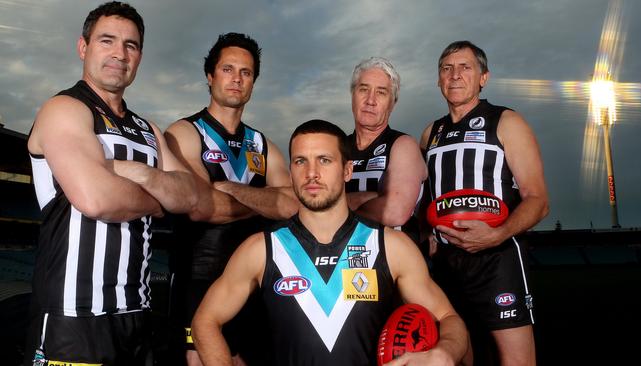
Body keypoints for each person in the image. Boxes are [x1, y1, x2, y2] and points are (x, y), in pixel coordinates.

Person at [192, 119, 468, 366]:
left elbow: (449, 319)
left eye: (324, 160)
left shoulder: (390, 246)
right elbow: (205, 321)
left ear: (347, 170)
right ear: (291, 172)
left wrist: (445, 352)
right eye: (301, 161)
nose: (312, 173)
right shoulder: (262, 249)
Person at [25, 2, 198, 365]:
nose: (120, 53)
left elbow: (190, 195)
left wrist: (137, 172)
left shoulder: (147, 129)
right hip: (73, 317)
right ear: (83, 47)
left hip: (137, 315)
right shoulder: (65, 109)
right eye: (107, 41)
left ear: (139, 56)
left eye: (130, 45)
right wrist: (160, 199)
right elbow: (96, 198)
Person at [163, 32, 299, 365]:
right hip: (199, 279)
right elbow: (202, 207)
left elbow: (293, 204)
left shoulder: (262, 143)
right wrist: (265, 202)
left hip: (255, 282)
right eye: (228, 69)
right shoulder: (183, 133)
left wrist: (233, 191)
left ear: (253, 82)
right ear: (210, 76)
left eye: (246, 72)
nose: (237, 79)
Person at [420, 40, 549, 365]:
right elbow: (425, 199)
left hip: (497, 259)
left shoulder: (506, 121)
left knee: (517, 359)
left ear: (483, 77)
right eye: (446, 68)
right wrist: (428, 236)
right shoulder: (429, 133)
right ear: (438, 79)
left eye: (465, 67)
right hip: (447, 263)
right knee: (459, 352)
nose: (455, 75)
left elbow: (538, 200)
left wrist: (498, 234)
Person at [346, 57, 427, 246]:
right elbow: (308, 202)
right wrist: (371, 197)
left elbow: (395, 211)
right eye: (363, 89)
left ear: (393, 103)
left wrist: (334, 209)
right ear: (353, 95)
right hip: (345, 259)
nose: (370, 100)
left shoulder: (403, 144)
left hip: (394, 260)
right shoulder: (337, 146)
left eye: (381, 93)